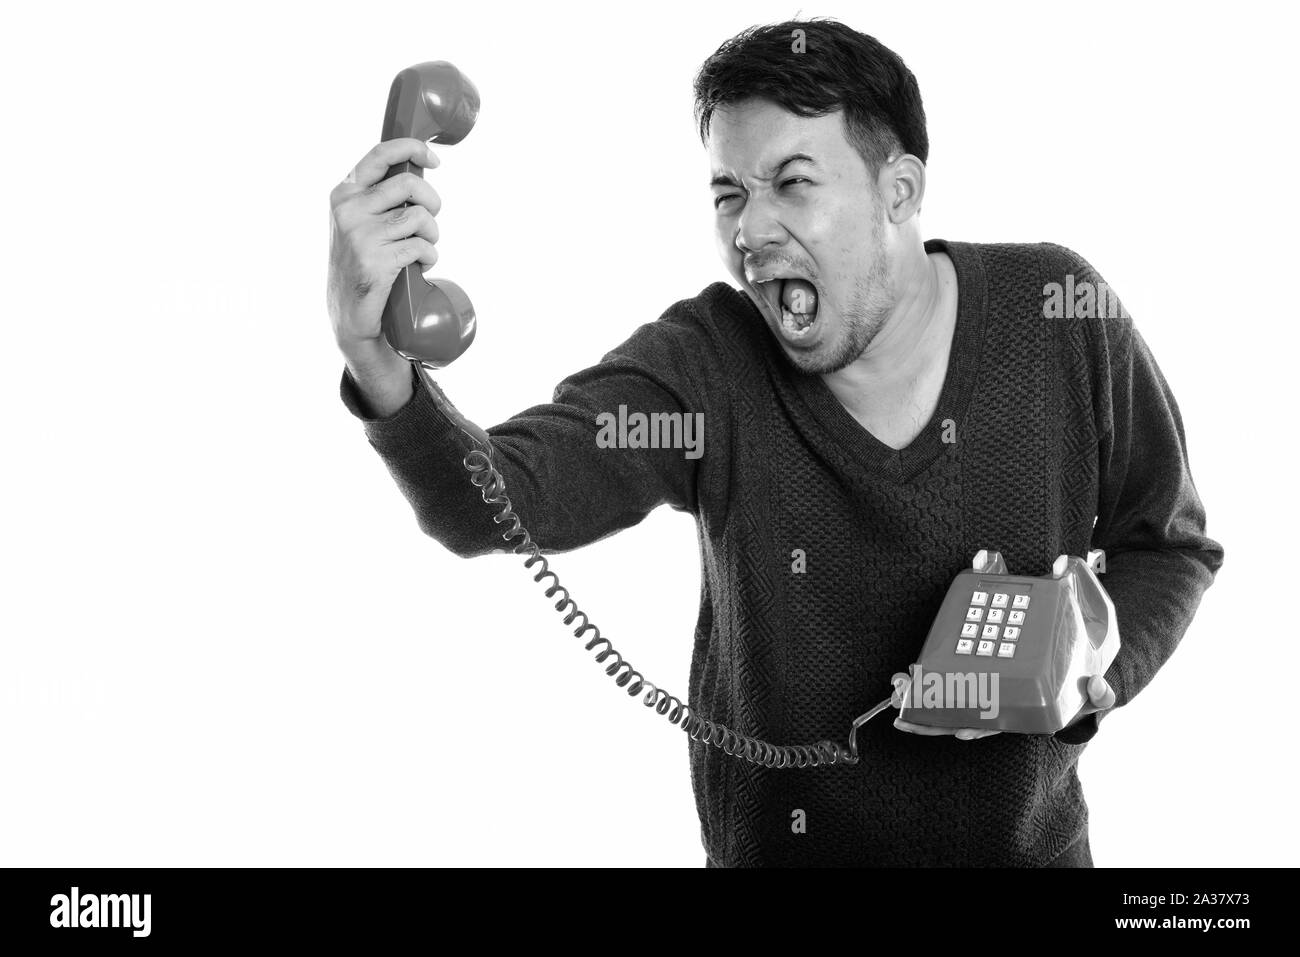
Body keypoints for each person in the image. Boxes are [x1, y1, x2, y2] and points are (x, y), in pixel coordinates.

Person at [326, 18, 1223, 866]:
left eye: (793, 182)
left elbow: (1169, 543)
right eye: (729, 194)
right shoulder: (705, 363)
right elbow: (493, 501)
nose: (750, 233)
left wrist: (1099, 664)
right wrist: (377, 357)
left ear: (898, 191)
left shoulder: (1057, 310)